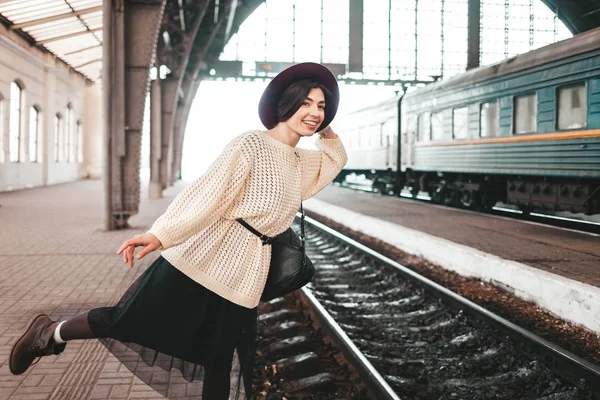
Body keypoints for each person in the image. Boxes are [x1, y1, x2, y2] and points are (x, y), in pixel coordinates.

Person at [8, 62, 347, 399]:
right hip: (201, 260)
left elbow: (336, 158)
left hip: (246, 276)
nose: (314, 112)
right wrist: (161, 234)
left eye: (320, 106)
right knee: (126, 320)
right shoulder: (251, 145)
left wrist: (327, 130)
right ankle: (50, 334)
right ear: (287, 103)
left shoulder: (301, 162)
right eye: (305, 103)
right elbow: (207, 194)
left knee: (220, 358)